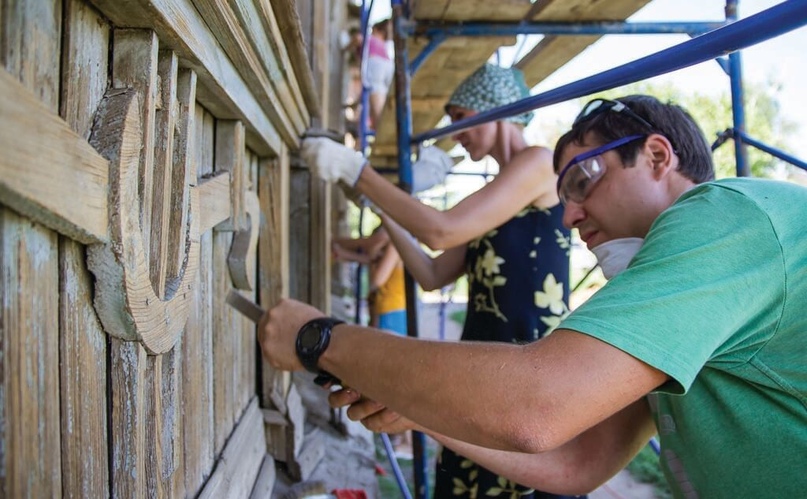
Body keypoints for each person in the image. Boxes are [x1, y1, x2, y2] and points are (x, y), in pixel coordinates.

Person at [260, 94, 807, 498]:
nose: (567, 215)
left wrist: (321, 340)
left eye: (581, 181)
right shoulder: (682, 305)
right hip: (505, 377)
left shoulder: (727, 215)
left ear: (658, 156)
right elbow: (577, 459)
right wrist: (421, 407)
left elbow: (536, 407)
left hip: (519, 375)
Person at [303, 63, 574, 498]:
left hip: (529, 363)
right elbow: (432, 274)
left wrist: (359, 172)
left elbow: (441, 230)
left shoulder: (538, 162)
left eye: (461, 118)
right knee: (471, 481)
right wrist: (384, 210)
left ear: (495, 111)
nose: (455, 134)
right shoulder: (497, 195)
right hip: (485, 358)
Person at [331, 225, 407, 333]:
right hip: (387, 308)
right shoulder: (396, 244)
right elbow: (371, 259)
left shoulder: (395, 245)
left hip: (391, 309)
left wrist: (373, 250)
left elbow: (377, 280)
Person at [365, 18, 393, 129]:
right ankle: (378, 126)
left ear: (376, 29)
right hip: (388, 66)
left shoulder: (371, 38)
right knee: (384, 94)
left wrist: (345, 48)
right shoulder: (385, 46)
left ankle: (378, 128)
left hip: (376, 65)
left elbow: (358, 39)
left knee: (375, 88)